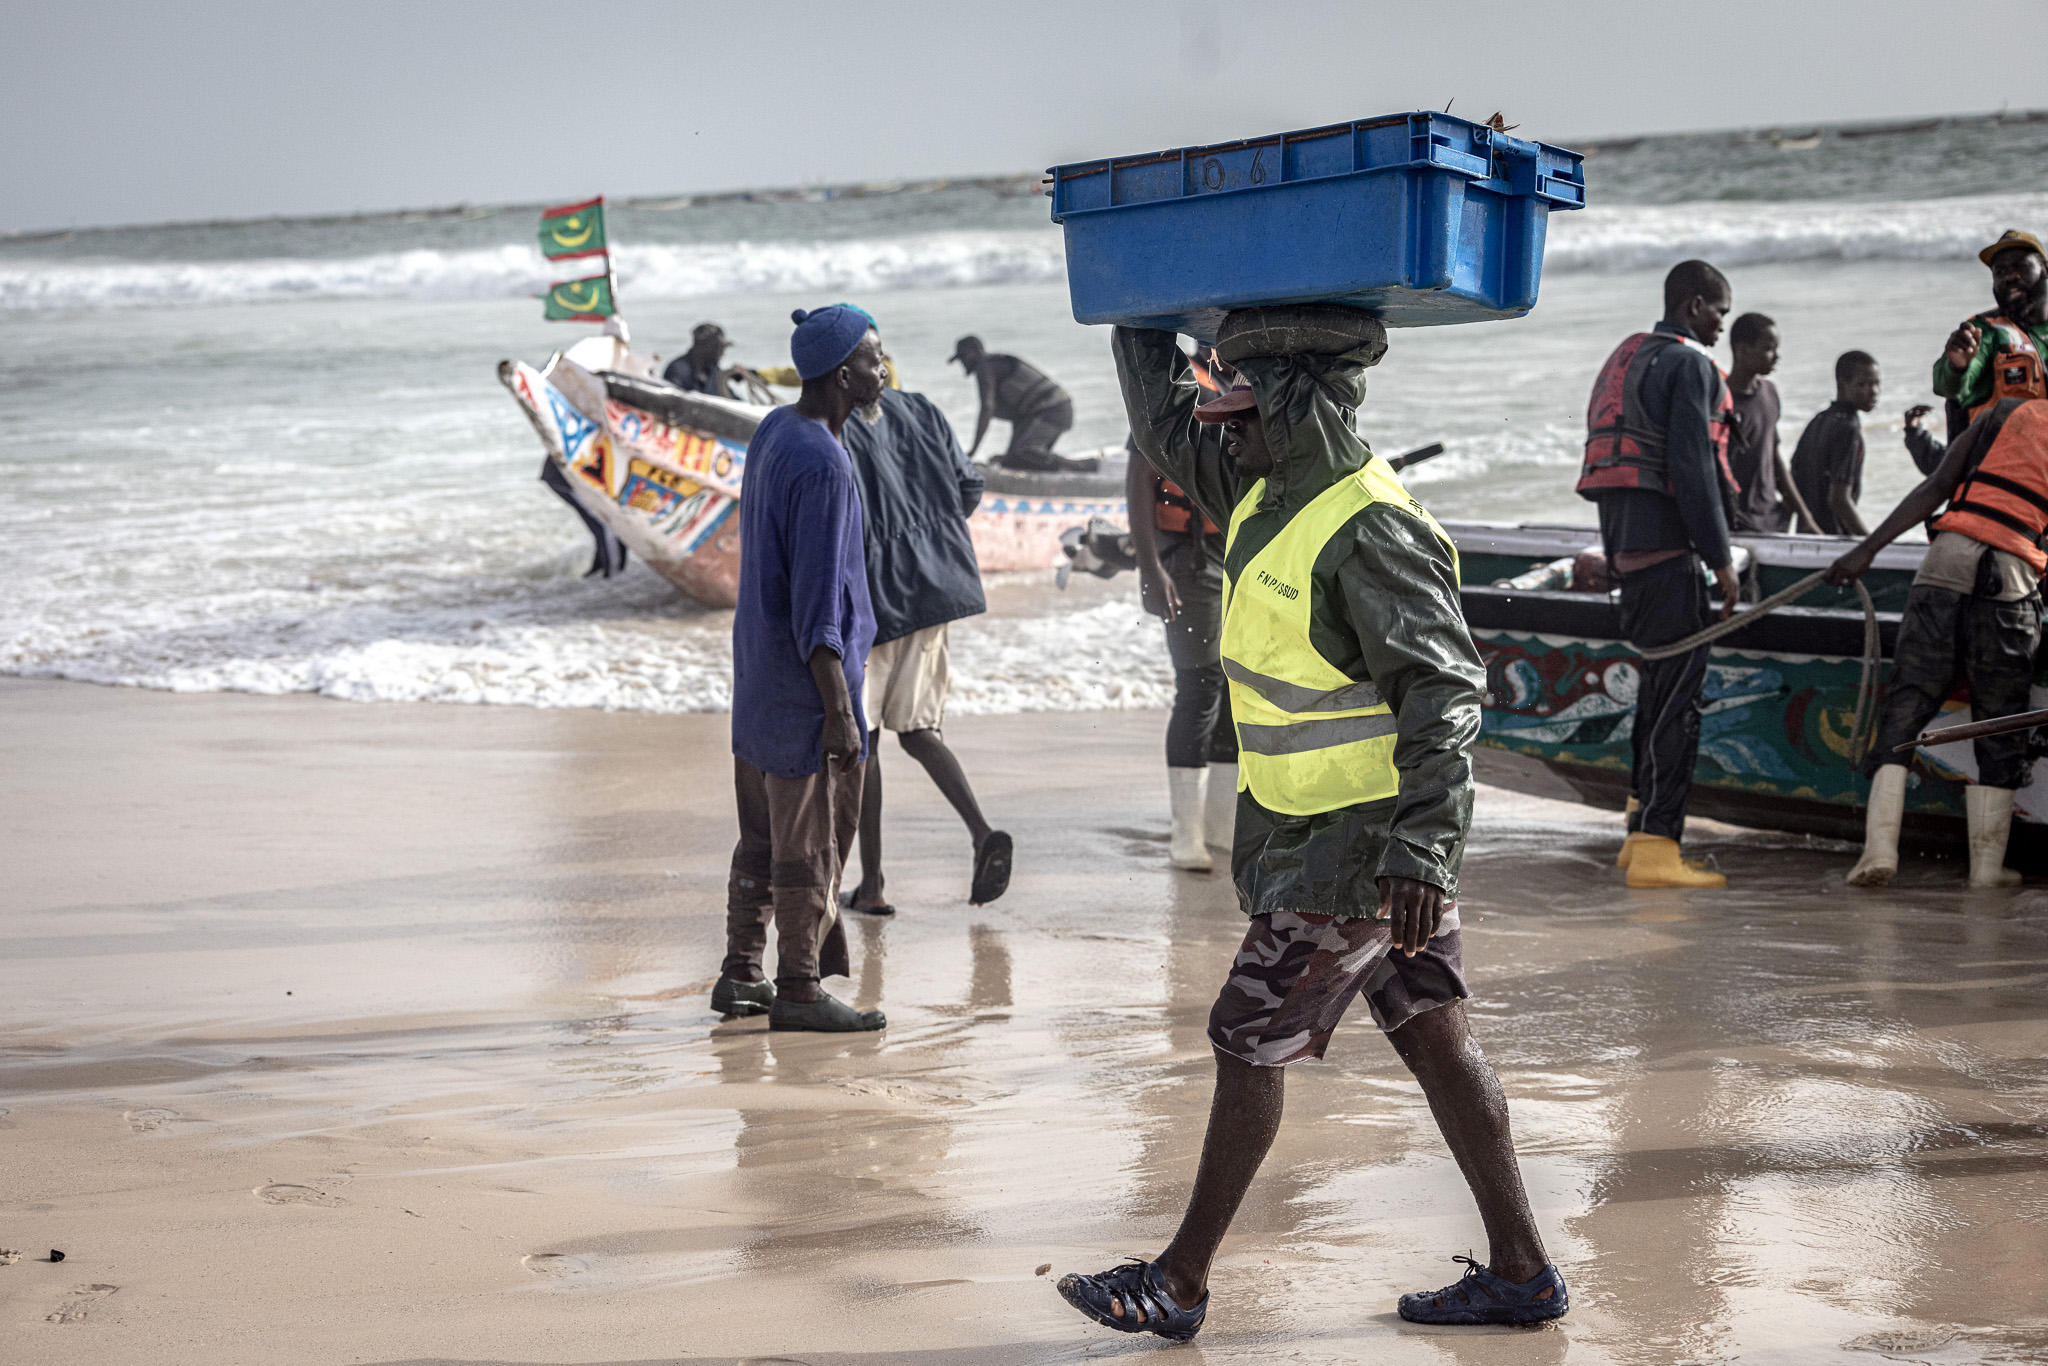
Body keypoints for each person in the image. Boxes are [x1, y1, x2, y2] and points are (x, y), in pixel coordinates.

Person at [1053, 319, 1567, 1343]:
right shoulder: (1265, 491)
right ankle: (1518, 1272)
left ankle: (1179, 1281)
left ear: (1286, 415)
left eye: (1238, 419)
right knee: (1432, 1034)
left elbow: (1443, 690)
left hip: (1362, 851)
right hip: (1326, 840)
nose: (1222, 438)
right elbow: (1162, 421)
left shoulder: (1368, 525)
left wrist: (1422, 849)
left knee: (1246, 1038)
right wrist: (1141, 312)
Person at [712, 305, 890, 1033]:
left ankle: (741, 975)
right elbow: (820, 609)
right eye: (876, 358)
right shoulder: (825, 463)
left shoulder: (774, 430)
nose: (884, 369)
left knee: (759, 839)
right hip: (804, 693)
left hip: (757, 681)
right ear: (845, 374)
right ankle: (799, 988)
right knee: (808, 845)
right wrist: (840, 712)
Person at [1826, 399, 2048, 889]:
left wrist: (1866, 549)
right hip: (2011, 578)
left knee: (1906, 705)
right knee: (1999, 722)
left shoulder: (2002, 413)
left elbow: (1936, 485)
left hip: (1945, 562)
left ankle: (1878, 850)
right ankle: (1986, 871)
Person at [1576, 259, 1741, 888]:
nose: (1722, 323)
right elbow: (1693, 468)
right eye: (1720, 311)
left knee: (1657, 692)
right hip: (1670, 557)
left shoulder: (1630, 354)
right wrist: (1721, 561)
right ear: (1695, 305)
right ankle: (1657, 851)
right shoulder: (1690, 363)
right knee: (1680, 705)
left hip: (1626, 553)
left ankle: (1638, 829)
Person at [837, 381, 1015, 913]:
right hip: (938, 586)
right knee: (918, 730)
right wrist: (927, 541)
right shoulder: (921, 409)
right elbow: (968, 488)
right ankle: (982, 833)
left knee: (863, 740)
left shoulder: (832, 426)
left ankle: (871, 886)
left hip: (875, 596)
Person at [1126, 343, 1238, 872]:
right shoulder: (1174, 384)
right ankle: (1184, 834)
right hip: (1184, 556)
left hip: (1234, 551)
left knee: (1235, 682)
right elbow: (1140, 477)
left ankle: (1219, 827)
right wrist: (1151, 568)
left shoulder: (1243, 380)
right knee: (1198, 684)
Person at [1932, 229, 2047, 437]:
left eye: (2021, 267)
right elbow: (1947, 387)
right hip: (2009, 462)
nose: (2010, 277)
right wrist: (1957, 366)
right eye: (2000, 272)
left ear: (2045, 269)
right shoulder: (1983, 331)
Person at [1725, 313, 1819, 533]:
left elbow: (1774, 456)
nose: (1776, 356)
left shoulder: (1769, 392)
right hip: (1741, 522)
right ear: (1742, 350)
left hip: (1773, 517)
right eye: (1768, 349)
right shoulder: (1722, 403)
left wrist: (1804, 514)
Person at [949, 335, 1090, 472]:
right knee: (1014, 460)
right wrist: (1008, 458)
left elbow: (987, 408)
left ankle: (1082, 466)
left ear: (977, 351)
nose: (962, 362)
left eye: (963, 356)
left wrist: (973, 451)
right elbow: (1019, 416)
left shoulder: (986, 366)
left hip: (1053, 410)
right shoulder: (993, 367)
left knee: (1022, 452)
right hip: (1051, 410)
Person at [1790, 351, 1883, 537]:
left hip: (1807, 535)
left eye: (1876, 383)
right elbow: (1839, 500)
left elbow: (1794, 476)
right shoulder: (1848, 428)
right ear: (1842, 384)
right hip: (1833, 538)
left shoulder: (1819, 420)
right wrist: (1869, 543)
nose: (1873, 392)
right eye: (1863, 384)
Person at [662, 322, 739, 396]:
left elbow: (733, 400)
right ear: (701, 346)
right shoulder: (678, 369)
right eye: (716, 347)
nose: (721, 352)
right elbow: (671, 400)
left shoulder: (714, 372)